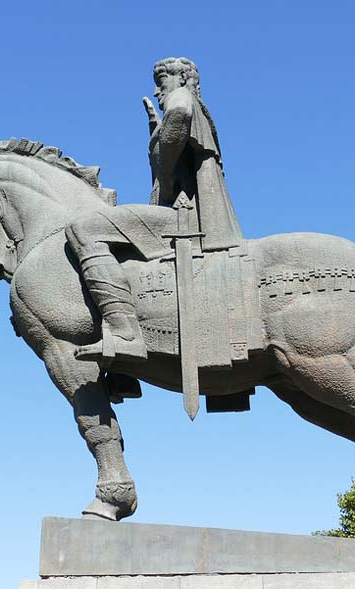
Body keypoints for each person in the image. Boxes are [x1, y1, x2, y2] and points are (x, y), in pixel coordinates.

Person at [65, 57, 243, 364]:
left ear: (181, 79)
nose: (158, 92)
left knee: (84, 229)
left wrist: (162, 148)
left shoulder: (183, 97)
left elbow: (179, 114)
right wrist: (156, 131)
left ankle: (124, 332)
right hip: (186, 215)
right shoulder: (190, 108)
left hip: (185, 219)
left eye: (161, 83)